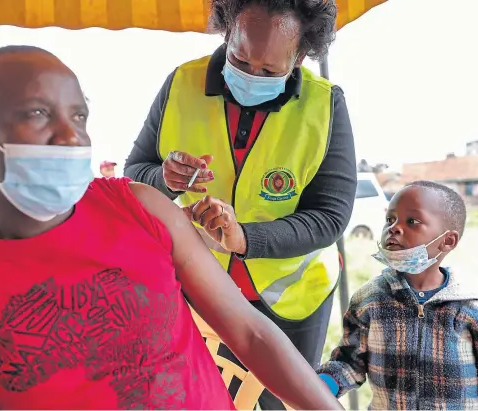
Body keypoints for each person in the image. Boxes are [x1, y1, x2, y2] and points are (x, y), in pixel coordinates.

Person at [0, 45, 343, 410]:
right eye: (39, 113)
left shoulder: (135, 208)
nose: (72, 137)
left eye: (78, 116)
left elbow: (249, 332)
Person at [124, 0, 356, 407]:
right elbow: (136, 171)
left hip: (290, 300)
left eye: (269, 71)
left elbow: (329, 216)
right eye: (241, 59)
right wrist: (164, 178)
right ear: (228, 31)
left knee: (275, 402)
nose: (250, 76)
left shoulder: (324, 105)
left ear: (300, 56)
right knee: (198, 396)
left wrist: (244, 237)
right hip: (199, 289)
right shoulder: (181, 83)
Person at [317, 181, 478, 410]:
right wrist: (324, 384)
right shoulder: (369, 301)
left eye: (412, 221)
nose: (394, 228)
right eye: (390, 219)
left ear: (447, 241)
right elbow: (349, 361)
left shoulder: (477, 308)